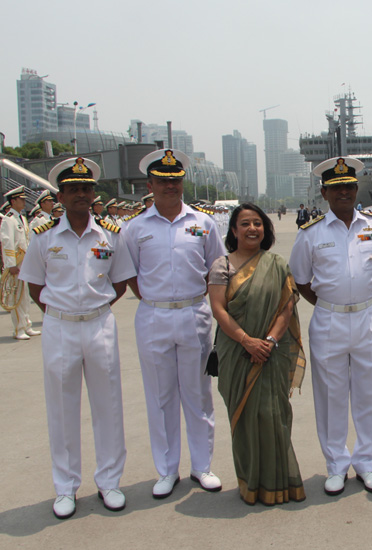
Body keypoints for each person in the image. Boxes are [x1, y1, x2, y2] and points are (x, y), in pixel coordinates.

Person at [20, 157, 135, 519]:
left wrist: (95, 307)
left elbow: (120, 281)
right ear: (60, 196)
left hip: (99, 324)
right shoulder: (43, 237)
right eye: (74, 190)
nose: (82, 195)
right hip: (59, 327)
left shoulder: (110, 234)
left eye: (86, 189)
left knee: (108, 405)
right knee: (62, 407)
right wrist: (61, 313)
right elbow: (36, 285)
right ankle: (65, 487)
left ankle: (110, 482)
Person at [289, 156, 372, 496]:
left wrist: (362, 298)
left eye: (349, 187)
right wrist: (331, 304)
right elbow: (301, 280)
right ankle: (336, 465)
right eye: (336, 188)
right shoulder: (310, 234)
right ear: (324, 193)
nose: (344, 193)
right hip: (328, 321)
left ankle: (368, 463)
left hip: (367, 317)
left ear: (356, 188)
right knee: (331, 395)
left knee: (370, 393)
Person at [124, 148, 226, 498]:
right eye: (163, 181)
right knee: (160, 394)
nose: (171, 186)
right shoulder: (134, 227)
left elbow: (217, 269)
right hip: (153, 315)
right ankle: (167, 470)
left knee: (198, 393)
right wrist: (157, 302)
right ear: (150, 184)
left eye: (176, 180)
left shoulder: (203, 223)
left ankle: (202, 466)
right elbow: (132, 276)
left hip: (194, 313)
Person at [208, 203, 306, 505]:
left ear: (265, 229)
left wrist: (269, 341)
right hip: (236, 352)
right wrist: (247, 341)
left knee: (273, 415)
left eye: (258, 223)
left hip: (271, 352)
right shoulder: (221, 266)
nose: (253, 229)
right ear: (234, 230)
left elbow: (286, 306)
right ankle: (250, 483)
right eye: (246, 224)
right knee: (245, 417)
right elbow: (218, 309)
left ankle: (280, 483)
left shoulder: (276, 264)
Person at [1, 185, 40, 340]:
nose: (24, 202)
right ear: (13, 201)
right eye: (21, 200)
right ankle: (19, 329)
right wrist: (10, 264)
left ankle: (26, 324)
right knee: (16, 296)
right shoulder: (8, 219)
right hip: (15, 263)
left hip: (24, 262)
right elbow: (7, 242)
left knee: (24, 296)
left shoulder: (21, 218)